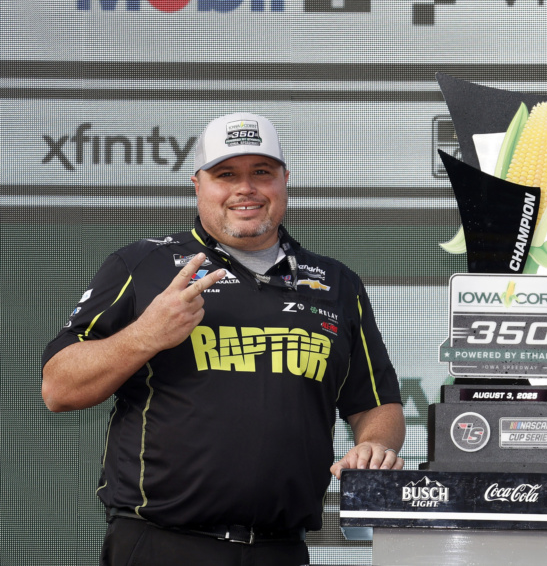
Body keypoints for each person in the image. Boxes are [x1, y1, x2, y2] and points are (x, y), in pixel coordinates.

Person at [41, 112, 405, 566]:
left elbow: (376, 403)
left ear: (285, 181)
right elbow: (58, 388)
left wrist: (377, 446)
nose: (245, 188)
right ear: (198, 185)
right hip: (161, 543)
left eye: (262, 172)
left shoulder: (336, 282)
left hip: (281, 550)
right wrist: (145, 335)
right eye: (226, 174)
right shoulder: (143, 264)